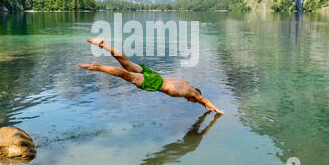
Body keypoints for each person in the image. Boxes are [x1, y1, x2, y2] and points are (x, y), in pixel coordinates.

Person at [78, 38, 224, 115]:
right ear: (195, 94)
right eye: (191, 101)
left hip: (156, 75)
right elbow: (203, 99)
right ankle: (98, 67)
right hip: (155, 83)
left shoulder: (186, 84)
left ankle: (103, 44)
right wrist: (217, 110)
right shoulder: (193, 93)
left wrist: (204, 105)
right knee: (126, 75)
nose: (188, 101)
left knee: (126, 62)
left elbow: (201, 100)